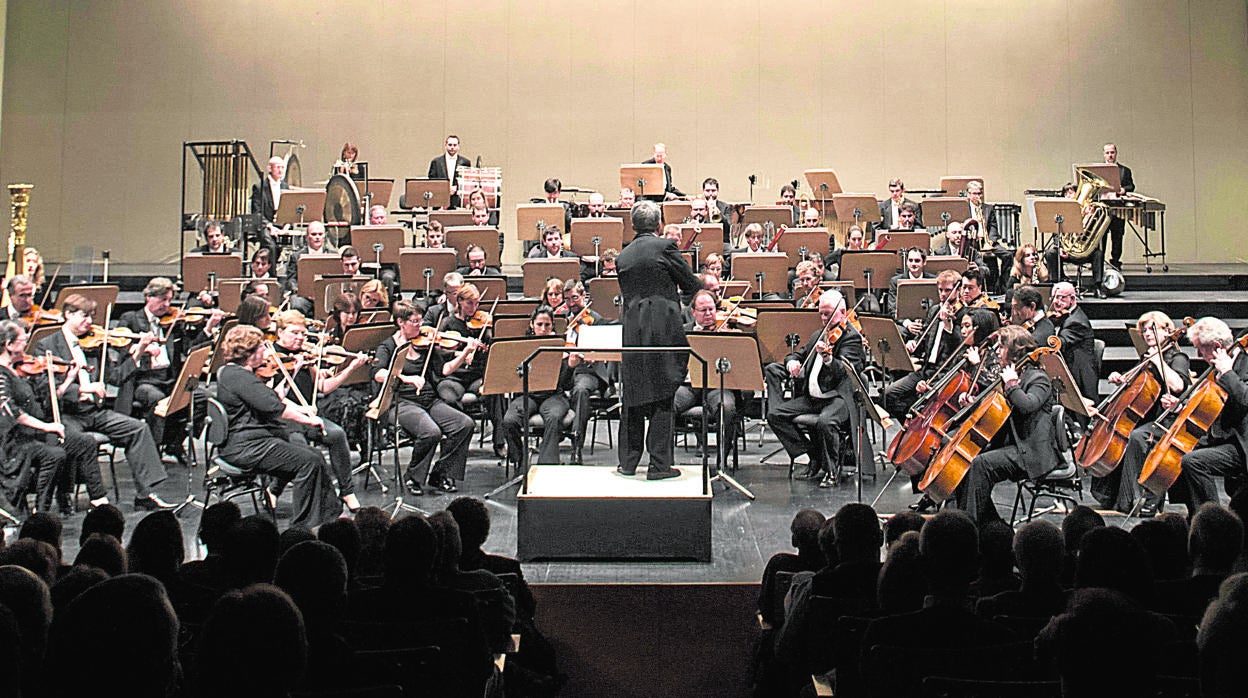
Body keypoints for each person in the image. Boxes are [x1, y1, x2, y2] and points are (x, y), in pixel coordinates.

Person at [33, 293, 173, 511]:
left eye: (91, 316)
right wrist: (81, 388)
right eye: (84, 316)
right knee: (81, 440)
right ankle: (89, 497)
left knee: (138, 428)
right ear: (67, 314)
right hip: (66, 414)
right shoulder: (46, 345)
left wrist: (138, 354)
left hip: (93, 412)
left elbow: (115, 377)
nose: (90, 322)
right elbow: (45, 388)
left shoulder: (96, 345)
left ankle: (146, 494)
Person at [212, 325, 341, 528]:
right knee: (309, 462)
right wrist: (308, 420)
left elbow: (271, 397)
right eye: (260, 347)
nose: (265, 350)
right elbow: (275, 407)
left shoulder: (233, 373)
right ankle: (302, 527)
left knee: (314, 457)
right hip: (246, 446)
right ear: (248, 353)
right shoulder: (238, 376)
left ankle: (331, 518)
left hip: (254, 440)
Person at [615, 200, 703, 480]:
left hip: (631, 330)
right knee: (663, 392)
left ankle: (627, 463)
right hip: (663, 328)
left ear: (633, 225)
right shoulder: (665, 247)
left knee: (633, 393)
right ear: (659, 224)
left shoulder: (623, 255)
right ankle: (659, 465)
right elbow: (690, 284)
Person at [953, 324, 1059, 525]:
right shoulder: (1011, 374)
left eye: (1001, 348)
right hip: (1013, 444)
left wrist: (1011, 385)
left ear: (1015, 350)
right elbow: (998, 409)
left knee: (980, 465)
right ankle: (988, 525)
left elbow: (1027, 405)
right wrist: (973, 403)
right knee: (964, 463)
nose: (997, 352)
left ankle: (970, 528)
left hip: (1031, 452)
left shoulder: (1038, 378)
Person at [765, 290, 868, 488]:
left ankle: (832, 471)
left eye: (827, 314)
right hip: (814, 398)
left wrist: (829, 358)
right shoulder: (818, 335)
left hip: (839, 398)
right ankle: (814, 455)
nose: (823, 318)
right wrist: (792, 362)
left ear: (843, 312)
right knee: (775, 415)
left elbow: (846, 372)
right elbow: (798, 354)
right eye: (821, 313)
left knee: (826, 422)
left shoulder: (851, 339)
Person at [1091, 311, 1189, 515]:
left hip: (1166, 419)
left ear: (1167, 330)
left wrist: (1157, 362)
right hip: (1146, 415)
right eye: (1144, 330)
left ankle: (1133, 500)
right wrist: (1122, 379)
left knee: (1136, 436)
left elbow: (1178, 385)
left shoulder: (1178, 357)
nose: (1146, 334)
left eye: (1151, 329)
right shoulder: (1147, 356)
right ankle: (1109, 495)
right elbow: (1139, 387)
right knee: (1117, 432)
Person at [270, 310, 369, 513]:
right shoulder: (270, 357)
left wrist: (349, 369)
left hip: (308, 417)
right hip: (283, 420)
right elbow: (271, 398)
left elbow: (323, 386)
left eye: (303, 334)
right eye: (294, 333)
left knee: (337, 434)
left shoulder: (305, 356)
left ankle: (347, 491)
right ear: (279, 333)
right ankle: (275, 490)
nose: (300, 338)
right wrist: (295, 369)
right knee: (301, 448)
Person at [372, 300, 473, 496]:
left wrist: (464, 353)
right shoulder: (388, 347)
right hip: (401, 403)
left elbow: (444, 370)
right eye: (415, 322)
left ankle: (440, 474)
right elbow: (378, 373)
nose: (421, 325)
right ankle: (413, 477)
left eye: (420, 321)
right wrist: (405, 378)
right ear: (401, 322)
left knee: (464, 424)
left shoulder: (425, 344)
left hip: (429, 400)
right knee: (431, 432)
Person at [0, 319, 99, 515]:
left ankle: (47, 507)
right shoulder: (2, 374)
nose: (27, 344)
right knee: (56, 453)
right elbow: (10, 410)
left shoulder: (21, 369)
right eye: (23, 340)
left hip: (32, 433)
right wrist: (47, 427)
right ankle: (42, 509)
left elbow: (45, 401)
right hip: (14, 440)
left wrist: (68, 378)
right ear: (8, 345)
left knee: (77, 443)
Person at [113, 277, 207, 463]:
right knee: (157, 400)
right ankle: (153, 451)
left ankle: (175, 443)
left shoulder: (172, 322)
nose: (167, 305)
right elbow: (120, 343)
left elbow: (190, 348)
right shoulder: (130, 318)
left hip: (170, 378)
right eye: (163, 299)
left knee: (202, 397)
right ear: (149, 297)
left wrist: (208, 328)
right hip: (143, 380)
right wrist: (141, 347)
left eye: (170, 300)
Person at [1171, 317, 1248, 511]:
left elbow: (1246, 398)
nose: (1198, 354)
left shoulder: (1242, 362)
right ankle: (1194, 514)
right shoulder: (1224, 363)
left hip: (1241, 443)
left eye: (1200, 349)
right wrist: (1184, 406)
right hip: (1224, 436)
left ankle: (1213, 519)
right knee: (1178, 451)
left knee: (1193, 461)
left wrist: (1228, 373)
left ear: (1216, 346)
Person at [672, 290, 739, 467]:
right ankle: (666, 462)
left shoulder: (726, 331)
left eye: (712, 309)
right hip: (689, 386)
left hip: (716, 386)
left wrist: (729, 339)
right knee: (666, 405)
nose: (709, 314)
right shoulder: (683, 332)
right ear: (693, 312)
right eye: (703, 310)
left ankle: (722, 461)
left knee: (728, 408)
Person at [501, 306, 572, 466]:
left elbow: (567, 383)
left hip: (554, 396)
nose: (543, 329)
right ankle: (520, 461)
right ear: (532, 325)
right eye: (539, 324)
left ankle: (546, 466)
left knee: (554, 418)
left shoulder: (559, 346)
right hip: (528, 395)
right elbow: (514, 376)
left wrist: (570, 366)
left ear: (552, 326)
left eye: (547, 325)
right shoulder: (523, 346)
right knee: (509, 420)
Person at [562, 280, 611, 463]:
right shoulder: (561, 318)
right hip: (565, 368)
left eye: (575, 298)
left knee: (581, 390)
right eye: (567, 299)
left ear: (584, 296)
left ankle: (577, 442)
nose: (571, 303)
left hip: (587, 371)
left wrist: (594, 354)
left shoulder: (595, 320)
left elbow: (604, 352)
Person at [1048, 282, 1099, 404]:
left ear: (1072, 299)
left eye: (1062, 298)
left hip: (1080, 374)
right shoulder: (1067, 314)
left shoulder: (1076, 322)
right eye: (1055, 297)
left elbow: (1060, 343)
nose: (1057, 301)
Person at [967, 180, 1013, 292]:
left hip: (987, 241)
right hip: (972, 242)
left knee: (1008, 255)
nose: (977, 196)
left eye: (979, 193)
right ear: (968, 195)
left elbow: (993, 227)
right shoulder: (964, 208)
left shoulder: (988, 208)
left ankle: (1003, 286)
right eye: (974, 193)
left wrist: (990, 241)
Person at [1102, 142, 1135, 270]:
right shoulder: (1099, 170)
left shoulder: (1125, 170)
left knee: (1117, 235)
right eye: (1108, 153)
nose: (1110, 155)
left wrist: (1123, 190)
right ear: (1104, 154)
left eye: (1112, 152)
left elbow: (1131, 186)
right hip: (1103, 208)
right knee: (1101, 236)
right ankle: (1100, 261)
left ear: (1116, 153)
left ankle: (1115, 261)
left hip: (1118, 207)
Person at [248, 155, 286, 260]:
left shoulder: (285, 186)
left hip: (281, 225)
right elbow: (257, 212)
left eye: (282, 167)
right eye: (278, 167)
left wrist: (286, 226)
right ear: (270, 168)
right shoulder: (259, 187)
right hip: (266, 225)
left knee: (285, 245)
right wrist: (270, 226)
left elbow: (289, 209)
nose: (280, 170)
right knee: (271, 246)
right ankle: (271, 275)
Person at [885, 247, 933, 315]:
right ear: (906, 262)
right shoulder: (895, 281)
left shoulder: (933, 280)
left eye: (917, 261)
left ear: (924, 262)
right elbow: (892, 309)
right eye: (910, 260)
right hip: (905, 322)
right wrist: (906, 322)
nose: (913, 264)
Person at [428, 134, 471, 208]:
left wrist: (457, 188)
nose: (452, 147)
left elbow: (468, 183)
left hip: (458, 201)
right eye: (450, 145)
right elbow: (431, 181)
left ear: (458, 146)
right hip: (440, 200)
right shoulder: (436, 162)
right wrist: (444, 189)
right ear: (445, 145)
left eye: (455, 145)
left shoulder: (465, 162)